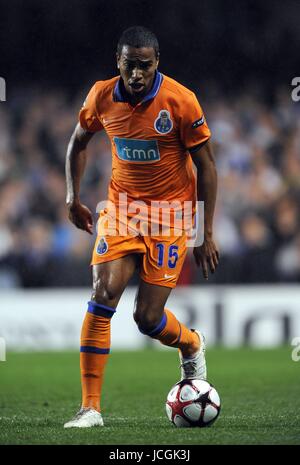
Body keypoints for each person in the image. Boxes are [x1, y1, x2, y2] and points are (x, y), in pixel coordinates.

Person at [64, 26, 219, 428]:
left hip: (170, 219)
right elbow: (78, 142)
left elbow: (206, 166)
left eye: (145, 66)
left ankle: (191, 342)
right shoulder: (101, 95)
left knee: (147, 319)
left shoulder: (181, 101)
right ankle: (90, 408)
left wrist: (205, 232)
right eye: (129, 65)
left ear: (156, 64)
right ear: (118, 61)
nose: (136, 74)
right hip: (120, 212)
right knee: (103, 295)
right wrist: (72, 197)